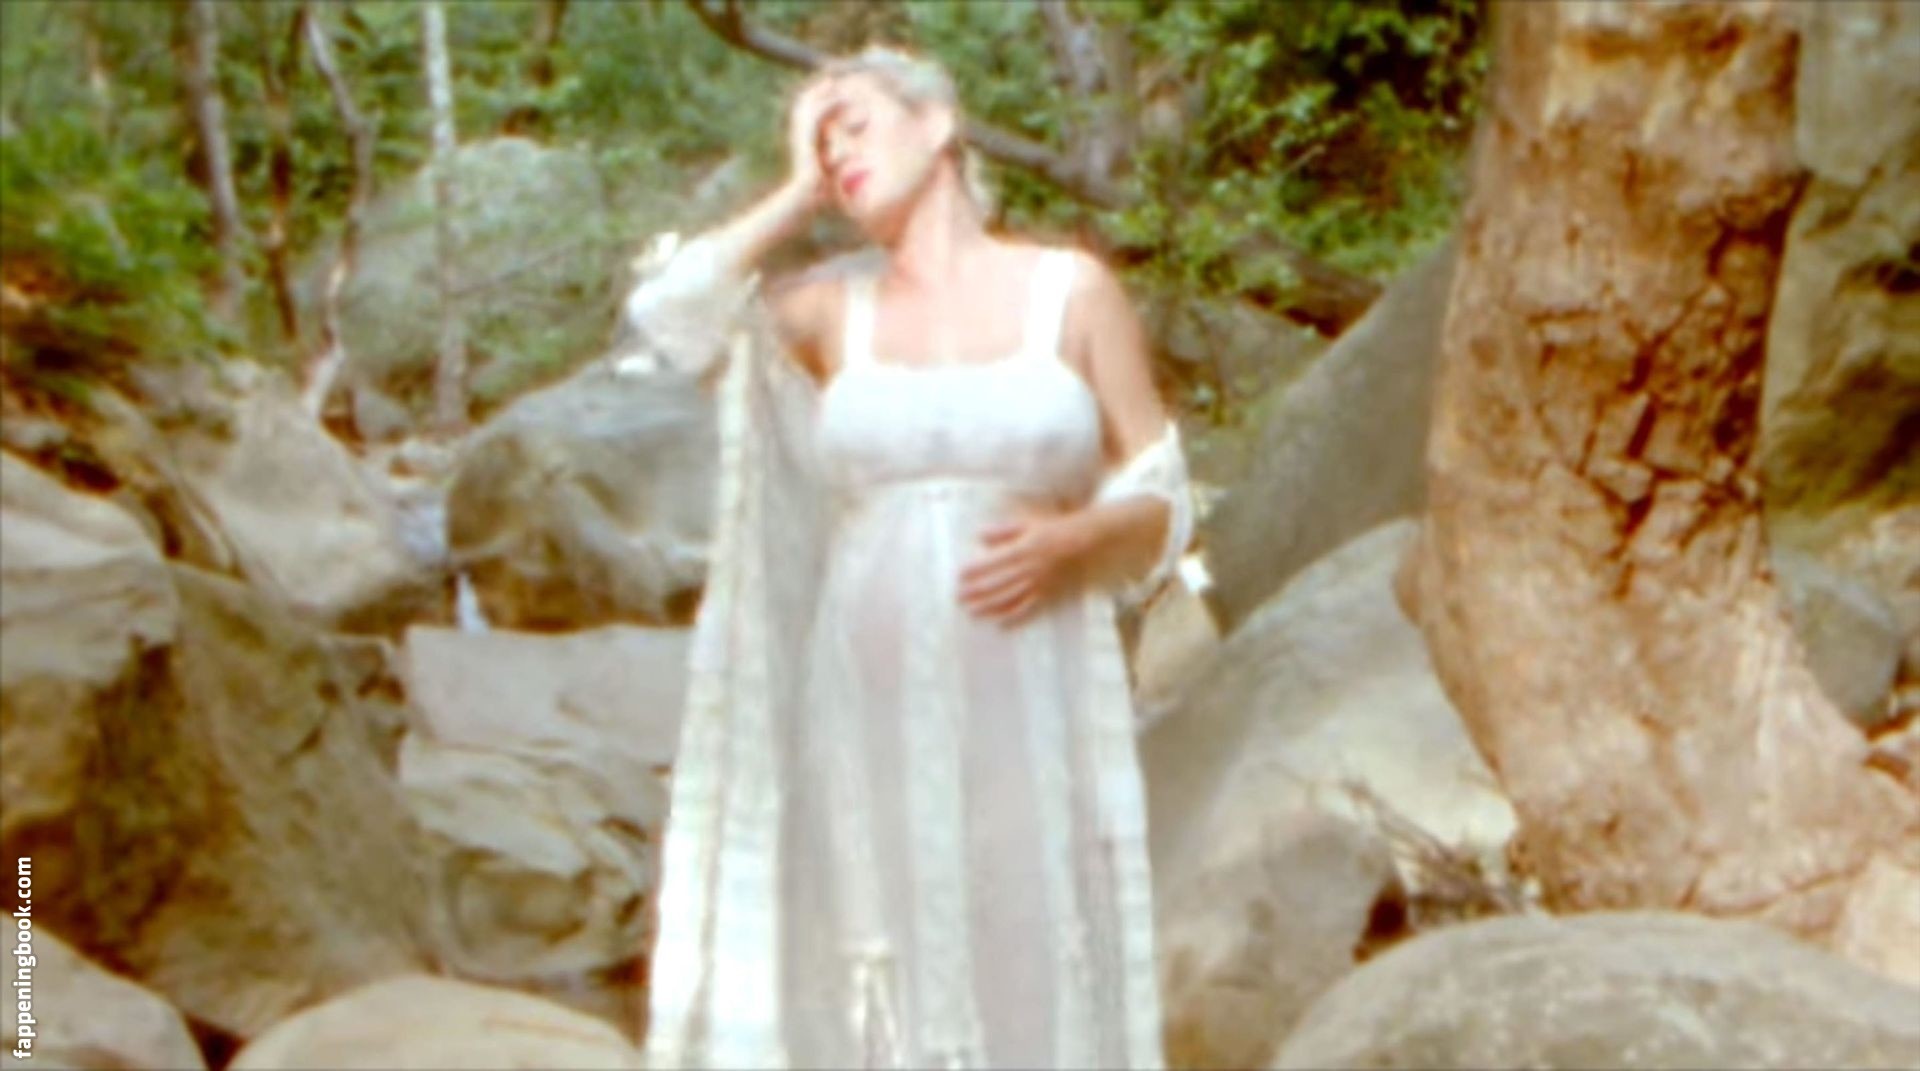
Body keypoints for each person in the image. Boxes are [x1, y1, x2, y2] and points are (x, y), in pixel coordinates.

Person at [630, 44, 1192, 1071]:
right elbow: (670, 315)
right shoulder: (827, 311)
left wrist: (1077, 536)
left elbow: (1162, 493)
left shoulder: (1069, 291)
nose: (836, 153)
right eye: (817, 141)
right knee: (879, 972)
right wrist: (796, 192)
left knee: (1034, 953)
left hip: (1035, 692)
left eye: (853, 124)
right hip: (861, 709)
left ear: (939, 125)